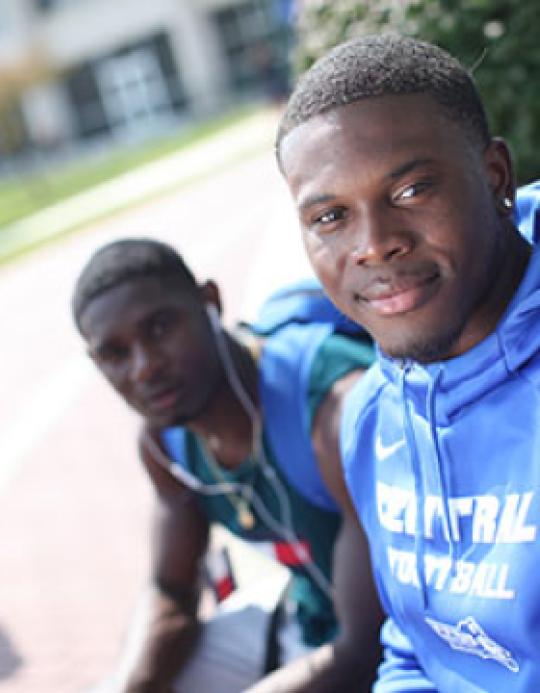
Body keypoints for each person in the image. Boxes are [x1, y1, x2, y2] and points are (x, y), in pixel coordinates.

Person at [276, 32, 540, 691]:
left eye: (412, 189)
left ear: (495, 176)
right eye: (330, 215)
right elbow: (416, 648)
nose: (375, 245)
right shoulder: (372, 416)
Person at [72, 238, 383, 693]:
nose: (143, 368)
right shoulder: (165, 441)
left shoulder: (331, 408)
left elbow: (363, 649)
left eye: (159, 328)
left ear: (210, 303)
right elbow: (171, 590)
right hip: (310, 619)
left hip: (414, 639)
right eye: (116, 354)